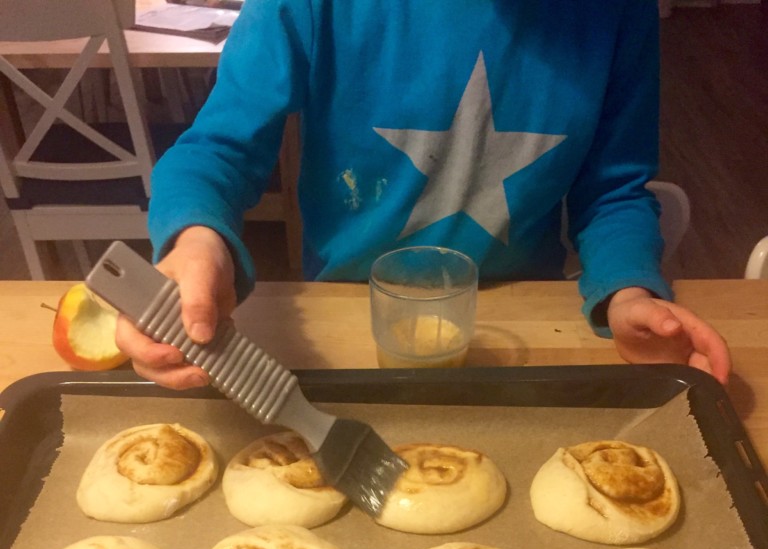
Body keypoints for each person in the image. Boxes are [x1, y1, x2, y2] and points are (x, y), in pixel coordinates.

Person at [117, 0, 731, 387]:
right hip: (349, 326)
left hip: (520, 328)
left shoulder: (617, 12)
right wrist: (197, 242)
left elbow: (614, 188)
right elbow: (218, 148)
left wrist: (626, 288)